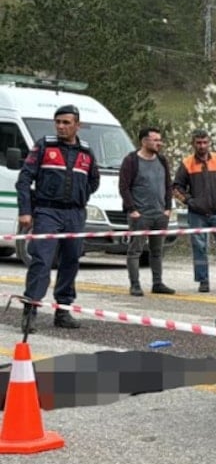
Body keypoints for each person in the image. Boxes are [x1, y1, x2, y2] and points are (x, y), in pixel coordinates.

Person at [15, 104, 100, 330]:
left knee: (71, 261)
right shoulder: (44, 146)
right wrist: (25, 210)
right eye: (58, 122)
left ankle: (63, 311)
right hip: (47, 212)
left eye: (66, 123)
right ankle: (30, 310)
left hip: (74, 213)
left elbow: (93, 181)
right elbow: (24, 180)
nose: (61, 127)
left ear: (77, 126)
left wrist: (79, 197)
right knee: (42, 260)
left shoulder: (86, 152)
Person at [173, 129, 216, 293]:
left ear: (209, 142)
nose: (202, 146)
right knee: (200, 248)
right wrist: (189, 201)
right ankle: (203, 280)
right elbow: (177, 187)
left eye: (204, 142)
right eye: (198, 143)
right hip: (197, 213)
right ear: (193, 144)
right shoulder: (187, 163)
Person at [119, 127, 175, 297]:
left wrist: (167, 208)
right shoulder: (131, 161)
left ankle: (157, 282)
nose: (160, 143)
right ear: (144, 141)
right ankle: (135, 284)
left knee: (157, 251)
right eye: (155, 140)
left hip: (160, 215)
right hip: (141, 215)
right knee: (135, 250)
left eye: (160, 139)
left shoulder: (162, 160)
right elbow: (124, 186)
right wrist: (132, 210)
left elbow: (167, 185)